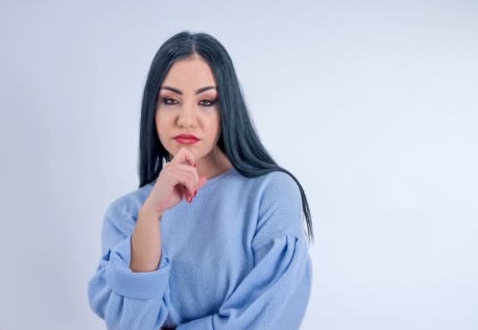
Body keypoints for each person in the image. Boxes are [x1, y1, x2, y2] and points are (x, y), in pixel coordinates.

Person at [87, 31, 314, 329]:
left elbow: (266, 319)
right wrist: (151, 217)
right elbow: (129, 324)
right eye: (170, 100)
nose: (186, 119)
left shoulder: (271, 195)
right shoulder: (127, 215)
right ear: (152, 110)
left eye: (206, 102)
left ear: (227, 109)